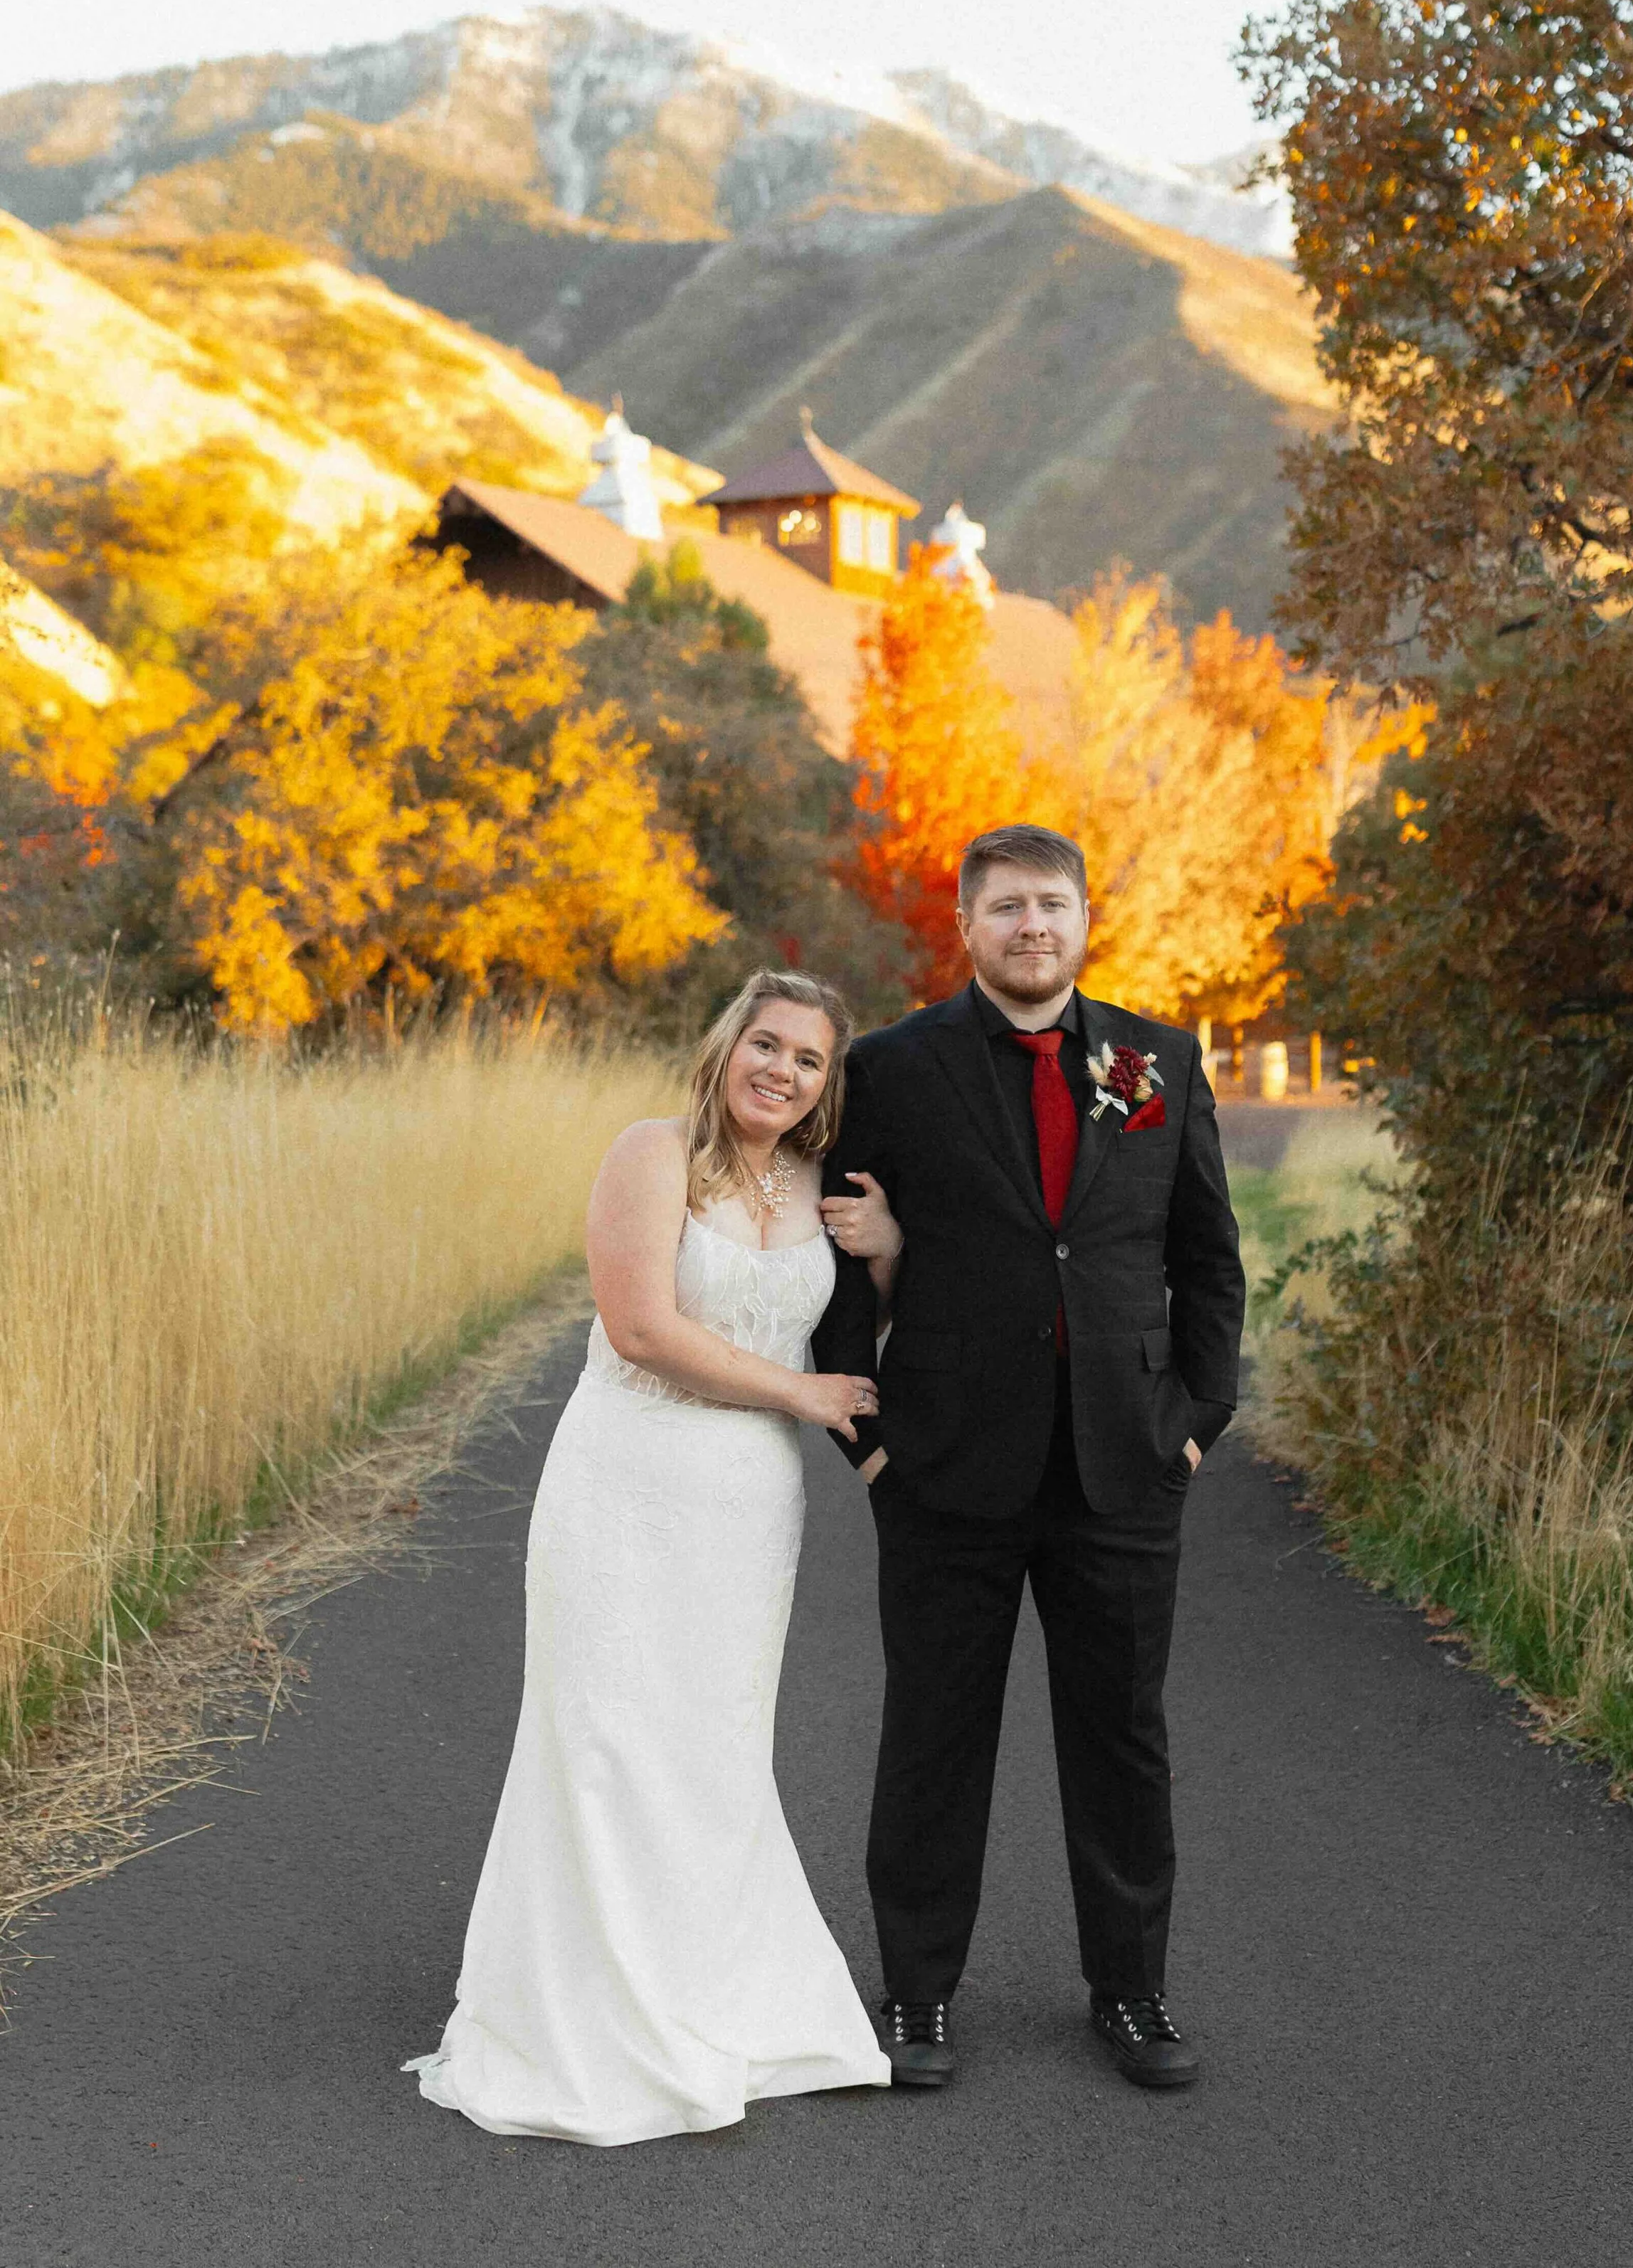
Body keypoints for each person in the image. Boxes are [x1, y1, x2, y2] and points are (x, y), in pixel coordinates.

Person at [406, 970, 892, 2144]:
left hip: (748, 1507)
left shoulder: (819, 1185)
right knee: (606, 1733)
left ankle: (707, 1993)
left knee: (713, 1742)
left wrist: (886, 1255)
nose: (781, 1069)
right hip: (626, 1481)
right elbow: (642, 1327)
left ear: (828, 1087)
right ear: (728, 1046)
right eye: (764, 1043)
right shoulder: (653, 1152)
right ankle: (591, 2013)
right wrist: (804, 1393)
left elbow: (874, 1329)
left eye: (809, 1058)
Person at [815, 824, 1245, 2092]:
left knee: (1121, 1735)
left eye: (1051, 904)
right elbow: (843, 1264)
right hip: (945, 1471)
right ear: (966, 924)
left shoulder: (1157, 1060)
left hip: (1122, 1465)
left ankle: (1131, 1992)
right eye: (1005, 908)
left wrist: (1196, 1419)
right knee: (934, 1736)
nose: (1031, 927)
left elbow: (1208, 1259)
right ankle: (917, 1997)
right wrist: (874, 1448)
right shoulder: (890, 1068)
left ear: (1085, 916)